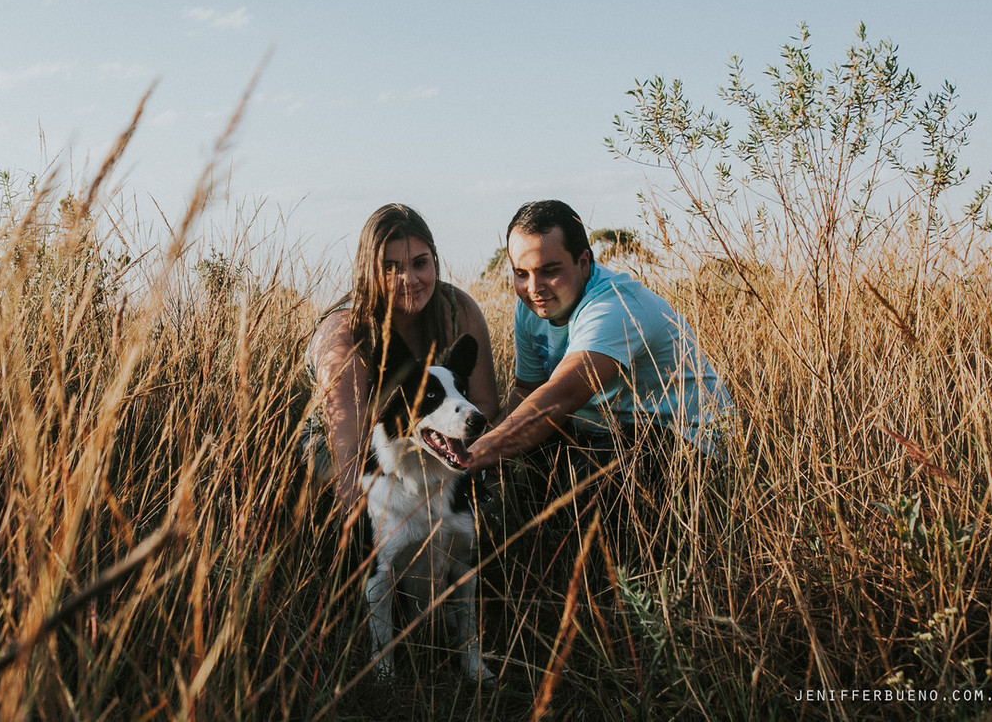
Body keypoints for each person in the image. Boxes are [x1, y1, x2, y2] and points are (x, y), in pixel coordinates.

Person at [464, 199, 733, 486]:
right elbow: (528, 390)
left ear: (583, 262)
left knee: (586, 475)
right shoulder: (531, 306)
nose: (534, 287)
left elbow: (562, 396)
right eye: (521, 274)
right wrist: (481, 445)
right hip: (605, 431)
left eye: (550, 271)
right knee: (531, 468)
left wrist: (471, 458)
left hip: (685, 443)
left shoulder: (614, 306)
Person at [306, 203, 499, 511]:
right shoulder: (344, 331)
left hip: (435, 441)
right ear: (369, 272)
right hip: (351, 449)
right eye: (391, 268)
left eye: (420, 263)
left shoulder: (457, 310)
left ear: (434, 260)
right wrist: (357, 524)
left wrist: (443, 444)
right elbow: (347, 443)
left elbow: (485, 404)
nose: (409, 279)